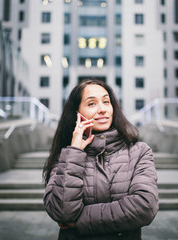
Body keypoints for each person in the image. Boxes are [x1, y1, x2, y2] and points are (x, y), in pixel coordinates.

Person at [43, 79, 158, 240]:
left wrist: (78, 222)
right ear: (77, 113)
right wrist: (75, 151)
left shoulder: (139, 151)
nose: (102, 109)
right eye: (91, 104)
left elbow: (145, 207)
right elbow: (62, 211)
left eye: (106, 101)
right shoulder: (66, 155)